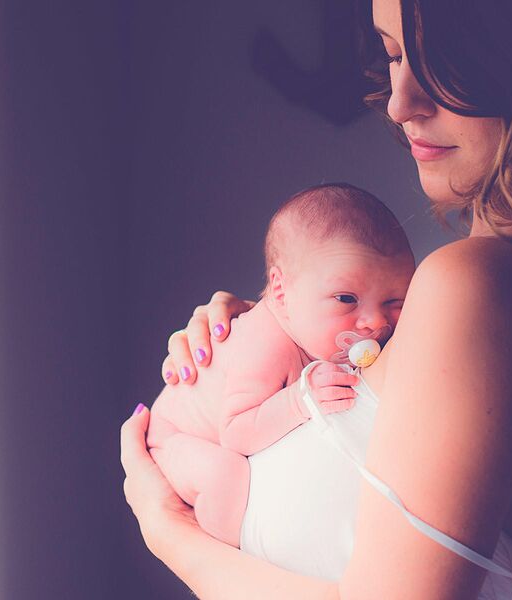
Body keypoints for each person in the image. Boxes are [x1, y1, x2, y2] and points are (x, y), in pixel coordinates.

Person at [120, 0, 512, 597]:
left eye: (442, 64)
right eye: (396, 56)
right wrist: (270, 331)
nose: (401, 104)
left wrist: (167, 527)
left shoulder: (476, 289)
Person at [146, 183, 415, 548]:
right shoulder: (266, 341)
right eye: (346, 298)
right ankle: (230, 557)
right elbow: (237, 432)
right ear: (280, 290)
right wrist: (300, 398)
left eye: (395, 300)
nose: (373, 322)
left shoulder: (319, 334)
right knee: (227, 474)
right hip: (173, 437)